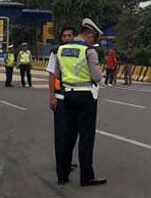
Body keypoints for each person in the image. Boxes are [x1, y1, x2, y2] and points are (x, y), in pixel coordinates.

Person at [56, 18, 106, 187]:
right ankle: (86, 177)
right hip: (85, 96)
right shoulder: (89, 51)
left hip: (67, 95)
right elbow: (97, 77)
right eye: (94, 38)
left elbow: (57, 74)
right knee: (86, 137)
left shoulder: (61, 49)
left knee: (67, 136)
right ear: (89, 35)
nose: (93, 41)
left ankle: (62, 175)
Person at [46, 26, 77, 181]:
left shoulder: (80, 52)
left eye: (69, 35)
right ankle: (61, 170)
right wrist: (52, 96)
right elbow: (51, 75)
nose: (67, 38)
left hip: (76, 99)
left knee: (72, 134)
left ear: (74, 36)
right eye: (64, 36)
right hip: (61, 98)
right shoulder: (56, 52)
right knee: (61, 135)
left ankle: (67, 162)